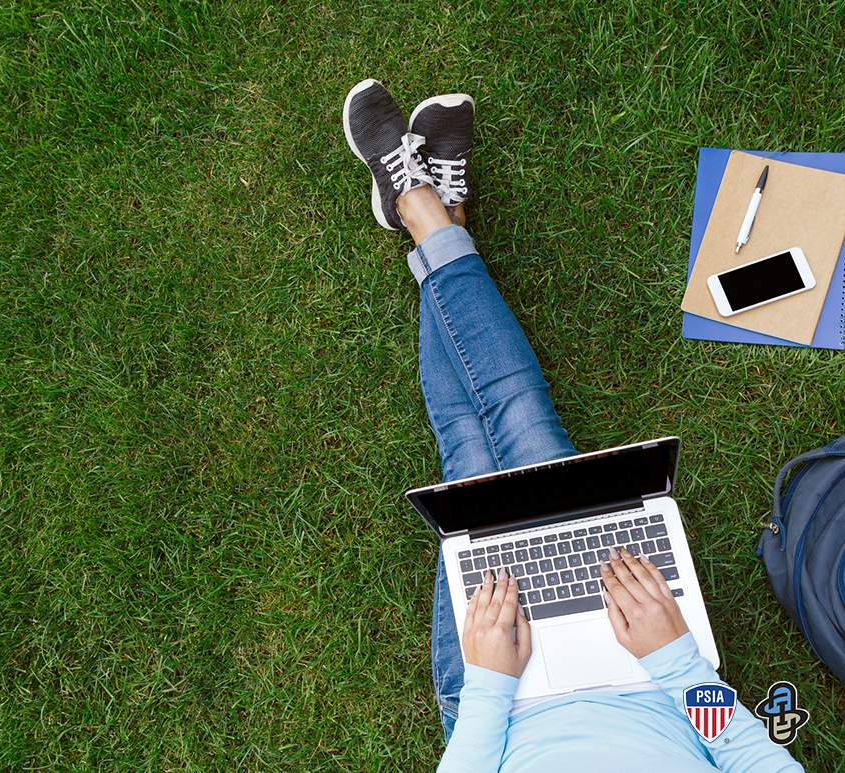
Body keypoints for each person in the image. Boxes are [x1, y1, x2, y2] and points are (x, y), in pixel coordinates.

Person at [342, 78, 805, 773]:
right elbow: (748, 753)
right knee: (522, 415)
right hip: (657, 675)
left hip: (499, 703)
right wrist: (678, 661)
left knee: (468, 451)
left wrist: (492, 685)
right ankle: (435, 217)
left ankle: (423, 211)